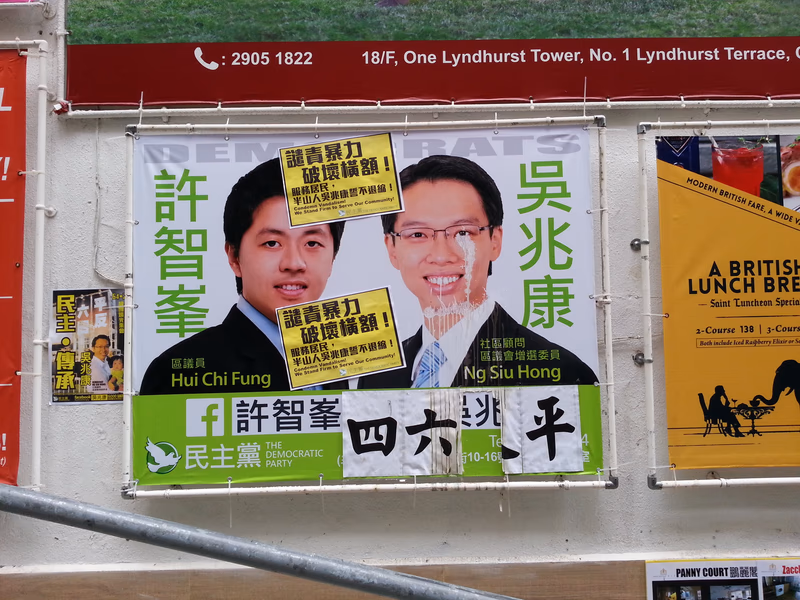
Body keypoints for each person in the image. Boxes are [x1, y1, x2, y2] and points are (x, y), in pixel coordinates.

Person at [359, 155, 597, 389]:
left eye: (463, 232)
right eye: (418, 235)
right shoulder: (376, 376)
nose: (441, 256)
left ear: (495, 240)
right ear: (391, 248)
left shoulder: (562, 374)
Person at [140, 158, 346, 395]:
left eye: (312, 243)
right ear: (235, 257)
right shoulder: (178, 372)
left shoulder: (345, 358)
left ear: (332, 257)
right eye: (272, 243)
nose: (294, 263)